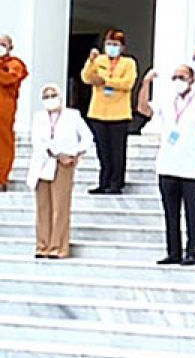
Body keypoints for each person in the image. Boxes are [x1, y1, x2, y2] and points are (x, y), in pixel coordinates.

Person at [138, 65, 195, 266]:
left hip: (192, 165)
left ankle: (192, 251)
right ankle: (173, 251)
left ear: (191, 80)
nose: (178, 80)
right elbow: (143, 109)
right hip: (168, 163)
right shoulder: (167, 101)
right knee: (170, 212)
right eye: (175, 77)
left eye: (182, 76)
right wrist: (146, 83)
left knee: (192, 211)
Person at [26, 83, 92, 258]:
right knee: (43, 207)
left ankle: (58, 247)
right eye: (46, 96)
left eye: (53, 95)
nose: (50, 99)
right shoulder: (38, 117)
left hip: (64, 165)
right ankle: (42, 245)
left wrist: (77, 153)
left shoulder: (72, 115)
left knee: (60, 206)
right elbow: (37, 140)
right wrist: (54, 152)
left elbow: (87, 136)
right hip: (43, 162)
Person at [81, 29, 138, 195]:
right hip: (98, 112)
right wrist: (91, 61)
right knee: (102, 150)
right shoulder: (99, 60)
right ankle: (103, 181)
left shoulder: (129, 63)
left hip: (119, 113)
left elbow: (127, 83)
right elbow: (86, 77)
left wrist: (106, 81)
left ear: (122, 47)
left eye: (115, 44)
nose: (111, 47)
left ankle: (116, 182)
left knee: (117, 151)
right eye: (109, 44)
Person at [0, 34, 29, 192]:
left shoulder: (15, 64)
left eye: (3, 44)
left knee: (3, 143)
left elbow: (10, 78)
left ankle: (1, 177)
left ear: (10, 47)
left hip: (4, 110)